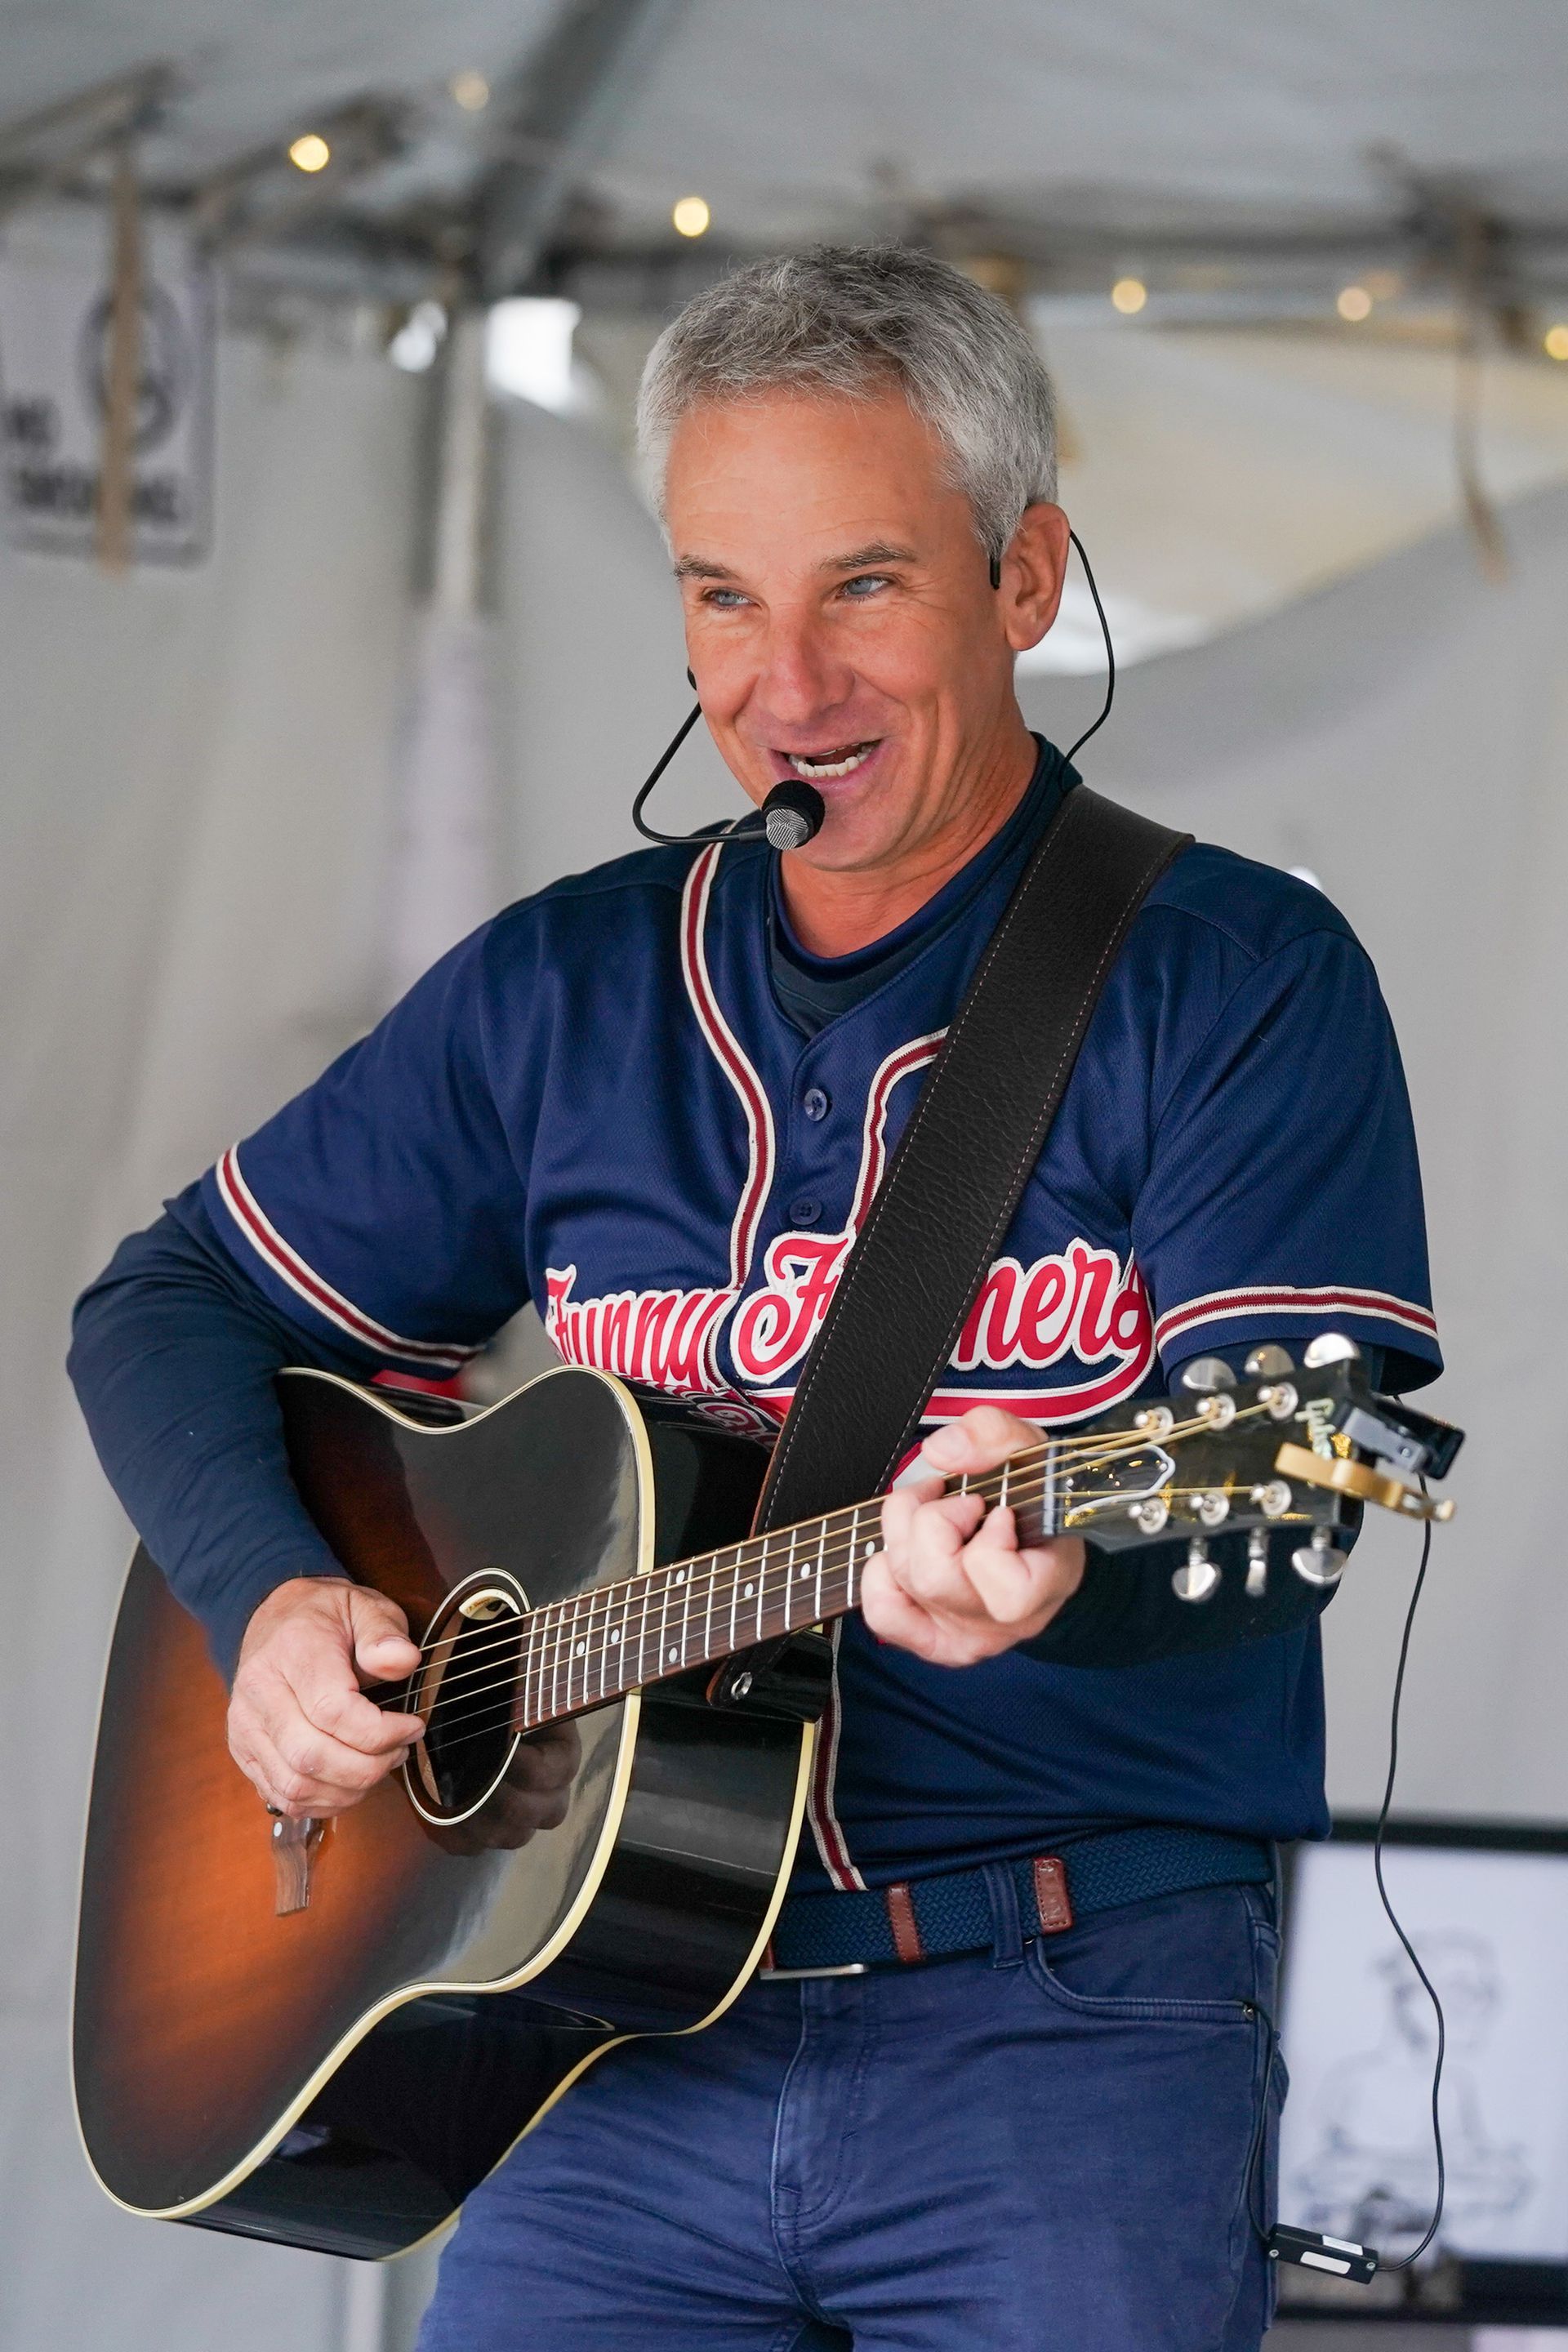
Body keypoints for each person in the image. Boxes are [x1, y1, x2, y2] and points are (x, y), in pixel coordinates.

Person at [69, 244, 1441, 2350]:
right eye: (723, 594)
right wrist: (268, 1598)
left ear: (1027, 575)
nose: (782, 686)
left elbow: (1292, 1487)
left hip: (1064, 2021)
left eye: (864, 586)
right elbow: (166, 1308)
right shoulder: (563, 989)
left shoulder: (1235, 979)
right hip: (606, 2043)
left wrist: (1087, 1569)